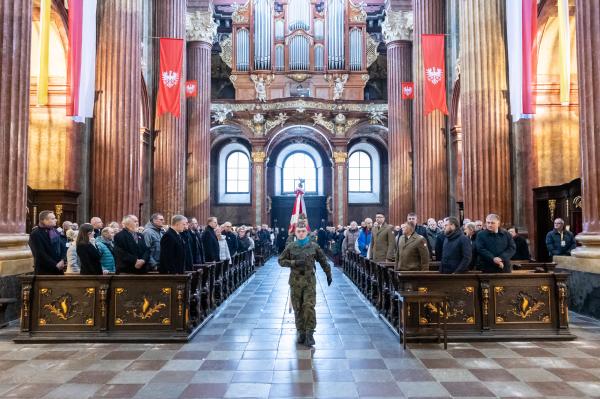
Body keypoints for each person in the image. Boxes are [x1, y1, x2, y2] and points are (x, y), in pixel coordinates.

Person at [278, 217, 332, 347]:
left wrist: (328, 273)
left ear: (306, 232)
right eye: (299, 231)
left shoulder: (313, 246)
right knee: (298, 307)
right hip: (295, 281)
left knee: (308, 306)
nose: (301, 233)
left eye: (303, 231)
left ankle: (310, 333)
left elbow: (323, 260)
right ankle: (301, 331)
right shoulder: (291, 246)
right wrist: (294, 263)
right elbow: (281, 261)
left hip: (309, 281)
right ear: (295, 233)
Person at [29, 210, 66, 275]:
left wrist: (63, 260)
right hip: (45, 271)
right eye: (53, 218)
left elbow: (62, 247)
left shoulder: (55, 232)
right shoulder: (35, 234)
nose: (56, 220)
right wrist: (55, 265)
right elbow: (39, 253)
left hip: (59, 269)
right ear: (44, 220)